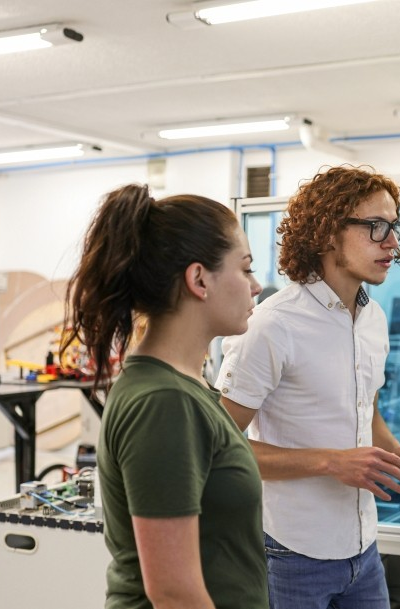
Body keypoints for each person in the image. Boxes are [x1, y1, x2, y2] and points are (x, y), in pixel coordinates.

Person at [216, 165, 400, 609]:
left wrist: (396, 454)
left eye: (394, 227)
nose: (393, 243)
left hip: (363, 548)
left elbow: (364, 408)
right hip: (290, 552)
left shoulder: (373, 319)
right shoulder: (273, 325)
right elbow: (218, 450)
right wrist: (330, 463)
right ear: (328, 232)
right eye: (376, 227)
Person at [62, 184, 267, 609]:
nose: (257, 285)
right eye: (244, 268)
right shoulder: (164, 403)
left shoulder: (187, 388)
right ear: (198, 279)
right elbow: (174, 592)